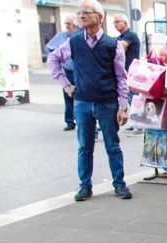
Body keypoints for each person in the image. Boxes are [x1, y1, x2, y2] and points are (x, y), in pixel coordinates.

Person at [47, 0, 132, 201]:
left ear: (99, 17)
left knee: (113, 146)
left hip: (107, 103)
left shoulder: (112, 45)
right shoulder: (74, 42)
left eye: (86, 12)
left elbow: (121, 77)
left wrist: (123, 106)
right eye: (80, 13)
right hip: (82, 102)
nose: (82, 16)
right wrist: (66, 85)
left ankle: (119, 185)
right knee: (85, 148)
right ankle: (85, 186)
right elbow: (53, 59)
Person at [45, 15, 79, 130]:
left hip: (80, 71)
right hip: (68, 70)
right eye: (66, 23)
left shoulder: (80, 35)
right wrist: (59, 57)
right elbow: (49, 49)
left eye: (69, 23)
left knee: (84, 97)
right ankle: (70, 121)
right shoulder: (61, 36)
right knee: (68, 95)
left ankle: (85, 121)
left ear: (76, 25)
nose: (67, 26)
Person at [113, 14, 141, 133]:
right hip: (126, 71)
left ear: (125, 23)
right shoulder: (121, 36)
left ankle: (139, 124)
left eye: (118, 21)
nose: (115, 24)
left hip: (132, 71)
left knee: (134, 98)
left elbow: (119, 47)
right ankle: (135, 123)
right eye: (114, 22)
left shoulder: (130, 35)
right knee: (130, 98)